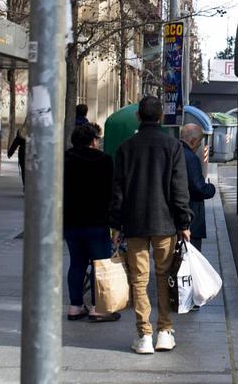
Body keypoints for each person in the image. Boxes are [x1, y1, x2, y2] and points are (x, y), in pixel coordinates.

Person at [109, 95, 192, 355]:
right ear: (160, 117)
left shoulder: (125, 148)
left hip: (134, 223)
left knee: (139, 280)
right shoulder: (173, 146)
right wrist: (184, 222)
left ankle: (144, 334)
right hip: (165, 223)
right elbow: (179, 189)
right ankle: (165, 331)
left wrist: (116, 224)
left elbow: (118, 191)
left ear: (138, 117)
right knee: (164, 277)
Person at [63, 123, 121, 323]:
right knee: (100, 265)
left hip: (71, 222)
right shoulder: (104, 160)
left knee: (76, 264)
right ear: (93, 140)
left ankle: (75, 306)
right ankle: (98, 307)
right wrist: (115, 225)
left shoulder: (64, 159)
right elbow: (111, 194)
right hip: (97, 222)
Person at [180, 124, 216, 252]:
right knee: (192, 255)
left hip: (176, 217)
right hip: (191, 215)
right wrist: (211, 188)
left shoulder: (175, 151)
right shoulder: (191, 158)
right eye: (200, 142)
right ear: (192, 140)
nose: (200, 145)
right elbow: (198, 187)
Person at [7, 121, 27, 186]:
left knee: (24, 171)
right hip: (26, 154)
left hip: (23, 154)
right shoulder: (23, 130)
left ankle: (26, 186)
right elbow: (16, 142)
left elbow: (16, 142)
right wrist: (10, 152)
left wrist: (10, 153)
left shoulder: (22, 130)